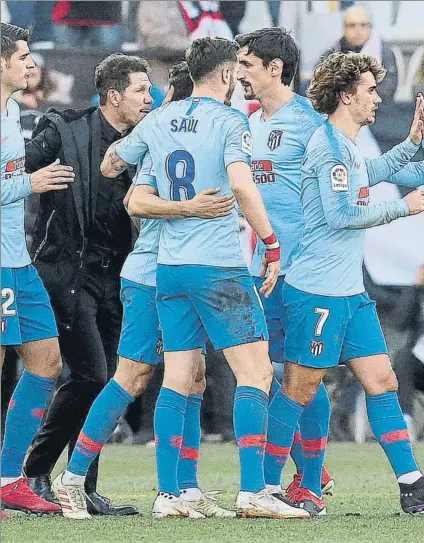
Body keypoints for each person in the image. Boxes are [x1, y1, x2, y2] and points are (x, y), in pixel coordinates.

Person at [100, 36, 309, 520]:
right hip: (217, 265)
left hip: (168, 267)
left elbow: (113, 164)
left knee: (176, 379)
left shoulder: (161, 118)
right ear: (226, 74)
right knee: (255, 373)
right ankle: (255, 491)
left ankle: (170, 494)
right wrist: (271, 242)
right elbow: (239, 182)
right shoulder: (232, 121)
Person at [50, 61, 235, 520]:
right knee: (133, 376)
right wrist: (188, 208)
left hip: (173, 270)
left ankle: (185, 490)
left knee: (192, 377)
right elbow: (131, 196)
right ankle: (73, 479)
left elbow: (114, 165)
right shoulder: (162, 133)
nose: (152, 100)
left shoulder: (179, 133)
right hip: (153, 273)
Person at [271, 51, 424, 515]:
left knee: (382, 380)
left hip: (348, 293)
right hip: (316, 290)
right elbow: (341, 216)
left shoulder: (347, 148)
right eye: (370, 89)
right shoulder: (329, 148)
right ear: (346, 95)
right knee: (299, 390)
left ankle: (411, 483)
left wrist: (412, 142)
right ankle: (261, 487)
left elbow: (373, 175)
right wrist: (404, 207)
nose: (377, 97)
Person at [22, 53, 153, 517]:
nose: (149, 97)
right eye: (141, 89)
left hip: (118, 276)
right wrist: (33, 180)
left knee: (104, 381)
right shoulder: (63, 127)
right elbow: (17, 170)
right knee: (93, 377)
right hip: (67, 274)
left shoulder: (147, 138)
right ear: (114, 95)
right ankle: (36, 471)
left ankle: (82, 486)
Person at [236, 27, 333, 516]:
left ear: (276, 68)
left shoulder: (312, 121)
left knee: (303, 376)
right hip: (262, 268)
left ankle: (310, 483)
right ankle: (309, 461)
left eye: (248, 64)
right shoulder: (247, 121)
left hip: (303, 272)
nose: (240, 72)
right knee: (259, 372)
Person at [1, 23, 75, 515]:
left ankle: (9, 479)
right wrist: (33, 183)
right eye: (22, 56)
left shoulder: (11, 112)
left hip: (18, 262)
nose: (31, 64)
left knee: (46, 361)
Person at [320, 5, 398, 103]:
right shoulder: (331, 54)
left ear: (370, 28)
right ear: (344, 29)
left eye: (363, 25)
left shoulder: (385, 53)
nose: (358, 30)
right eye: (352, 25)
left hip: (377, 111)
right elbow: (320, 88)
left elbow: (388, 90)